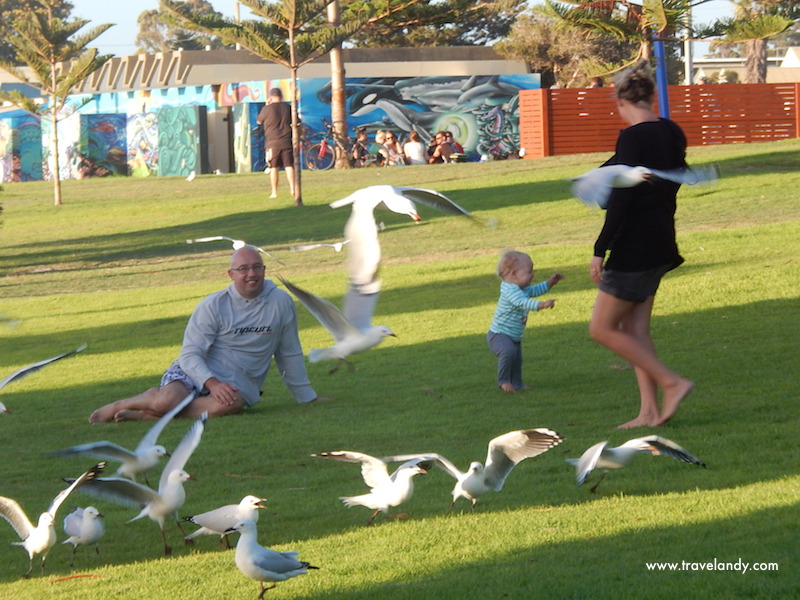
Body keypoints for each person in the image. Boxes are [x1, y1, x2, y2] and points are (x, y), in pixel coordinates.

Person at [88, 247, 330, 423]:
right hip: (194, 372)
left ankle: (148, 417)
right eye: (243, 269)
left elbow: (289, 352)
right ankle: (128, 404)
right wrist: (212, 383)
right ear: (230, 274)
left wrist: (307, 398)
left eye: (257, 267)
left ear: (265, 270)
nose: (251, 274)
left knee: (230, 406)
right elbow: (190, 354)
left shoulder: (281, 303)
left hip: (236, 384)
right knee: (166, 401)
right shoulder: (213, 305)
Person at [588, 60, 694, 429]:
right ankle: (649, 412)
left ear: (620, 101)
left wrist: (600, 249)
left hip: (634, 247)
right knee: (635, 331)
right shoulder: (671, 131)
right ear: (652, 97)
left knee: (601, 329)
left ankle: (672, 381)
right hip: (661, 239)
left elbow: (621, 199)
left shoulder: (632, 137)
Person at [487, 251, 563, 393]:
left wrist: (550, 283)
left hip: (513, 335)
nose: (532, 275)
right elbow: (522, 302)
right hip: (499, 335)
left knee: (517, 360)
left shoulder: (521, 288)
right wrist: (541, 305)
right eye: (529, 272)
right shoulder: (510, 290)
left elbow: (534, 290)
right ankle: (503, 381)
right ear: (514, 274)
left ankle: (517, 384)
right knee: (508, 352)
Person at [256, 88, 295, 201]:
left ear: (271, 96)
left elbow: (259, 121)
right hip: (287, 140)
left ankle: (274, 192)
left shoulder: (267, 109)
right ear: (281, 96)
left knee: (274, 168)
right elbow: (296, 121)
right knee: (289, 166)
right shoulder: (288, 108)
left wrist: (267, 105)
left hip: (272, 142)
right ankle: (292, 188)